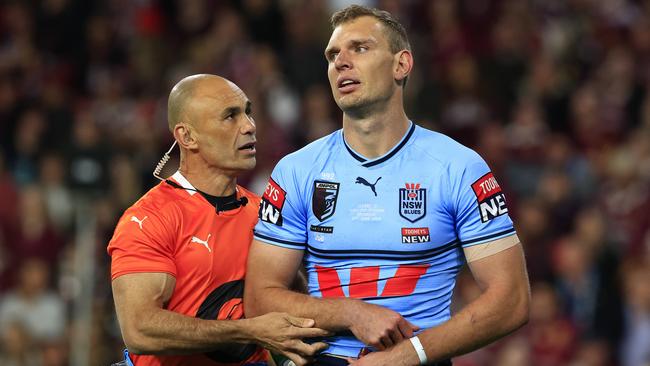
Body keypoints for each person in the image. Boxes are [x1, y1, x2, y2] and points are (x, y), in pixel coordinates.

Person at [245, 5, 530, 366]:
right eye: (333, 55)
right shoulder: (296, 171)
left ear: (402, 65)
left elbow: (512, 300)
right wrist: (351, 313)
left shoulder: (459, 168)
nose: (341, 63)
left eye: (360, 48)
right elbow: (259, 298)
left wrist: (408, 355)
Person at [107, 74, 329, 366]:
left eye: (247, 112)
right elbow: (139, 330)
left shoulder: (263, 213)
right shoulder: (148, 219)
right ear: (187, 136)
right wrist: (248, 331)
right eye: (230, 116)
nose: (250, 126)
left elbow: (298, 304)